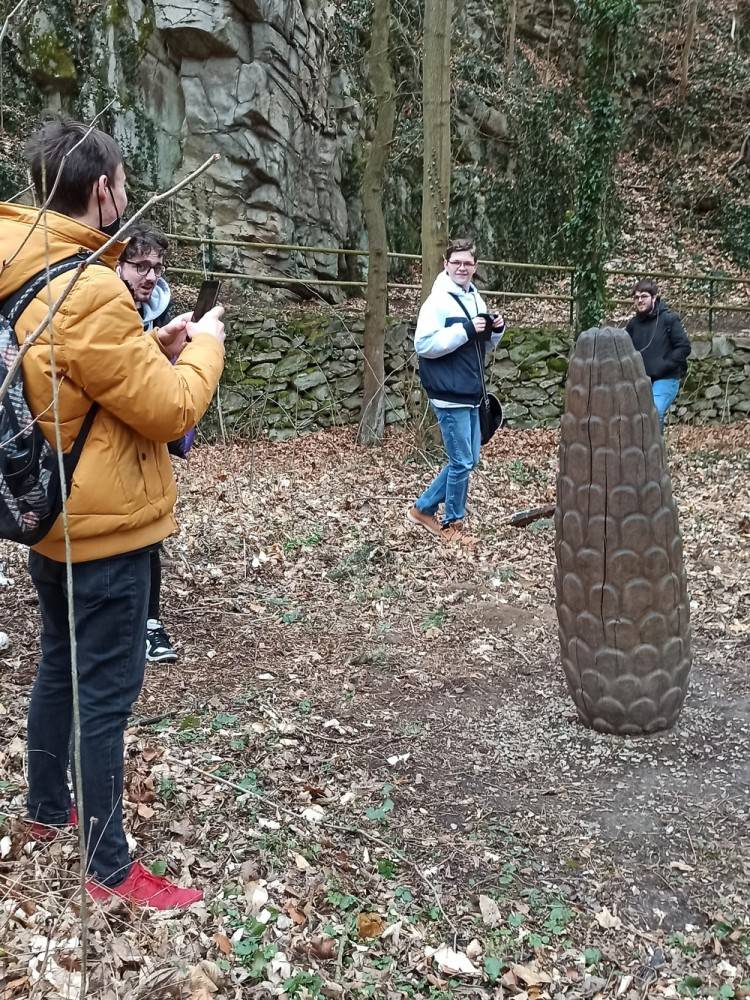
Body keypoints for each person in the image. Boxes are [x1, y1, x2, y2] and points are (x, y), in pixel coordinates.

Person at [0, 119, 225, 909]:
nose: (125, 195)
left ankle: (44, 809)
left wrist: (150, 344)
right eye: (122, 184)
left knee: (58, 664)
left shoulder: (29, 268)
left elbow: (74, 377)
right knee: (104, 693)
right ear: (102, 190)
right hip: (105, 529)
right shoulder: (89, 287)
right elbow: (170, 411)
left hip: (53, 515)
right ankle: (109, 867)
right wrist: (205, 346)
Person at [406, 239, 505, 546]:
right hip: (448, 393)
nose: (462, 268)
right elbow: (423, 345)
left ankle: (423, 509)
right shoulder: (436, 302)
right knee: (461, 461)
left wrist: (496, 330)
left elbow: (483, 346)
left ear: (475, 267)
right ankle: (452, 524)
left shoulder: (476, 298)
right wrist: (465, 329)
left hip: (471, 392)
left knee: (468, 460)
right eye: (457, 262)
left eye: (468, 263)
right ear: (446, 265)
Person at [118, 226, 177, 664]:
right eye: (141, 266)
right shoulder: (101, 307)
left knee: (149, 534)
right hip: (104, 444)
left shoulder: (156, 309)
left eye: (157, 267)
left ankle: (149, 623)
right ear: (118, 265)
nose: (151, 276)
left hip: (147, 440)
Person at [626, 279, 691, 431]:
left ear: (654, 297)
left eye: (644, 296)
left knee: (654, 412)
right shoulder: (633, 325)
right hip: (641, 380)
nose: (640, 300)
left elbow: (684, 347)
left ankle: (656, 446)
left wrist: (664, 363)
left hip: (666, 378)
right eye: (636, 297)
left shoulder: (669, 319)